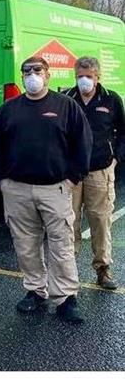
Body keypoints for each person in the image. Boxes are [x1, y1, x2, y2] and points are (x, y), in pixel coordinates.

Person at [0, 56, 92, 325]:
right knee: (26, 244)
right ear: (21, 76)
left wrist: (73, 178)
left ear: (48, 75)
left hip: (55, 188)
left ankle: (66, 298)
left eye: (37, 70)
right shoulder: (9, 109)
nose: (32, 75)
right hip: (17, 189)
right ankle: (35, 291)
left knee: (61, 245)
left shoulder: (66, 106)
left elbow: (83, 143)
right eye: (27, 71)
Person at [64, 56, 124, 290]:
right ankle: (68, 271)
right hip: (71, 173)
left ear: (98, 76)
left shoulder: (111, 99)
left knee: (100, 221)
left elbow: (122, 133)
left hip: (100, 170)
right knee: (69, 222)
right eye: (80, 76)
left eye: (89, 76)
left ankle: (103, 269)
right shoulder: (67, 99)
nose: (84, 80)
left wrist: (115, 159)